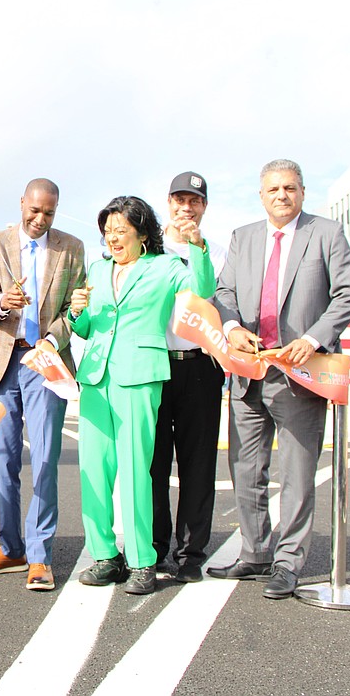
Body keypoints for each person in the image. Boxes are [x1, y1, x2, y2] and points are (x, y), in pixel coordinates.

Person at [207, 159, 350, 599]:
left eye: (289, 188)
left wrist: (314, 339)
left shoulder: (326, 234)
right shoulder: (244, 237)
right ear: (261, 195)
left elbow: (349, 294)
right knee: (245, 467)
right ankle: (255, 553)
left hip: (300, 373)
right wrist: (233, 327)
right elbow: (224, 293)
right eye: (273, 189)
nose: (281, 195)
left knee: (297, 473)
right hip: (249, 372)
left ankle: (288, 562)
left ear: (302, 192)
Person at [68, 196, 214, 595]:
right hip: (96, 377)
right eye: (108, 231)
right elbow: (85, 329)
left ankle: (141, 561)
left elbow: (203, 291)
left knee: (136, 472)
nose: (112, 238)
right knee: (94, 472)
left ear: (143, 233)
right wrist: (75, 312)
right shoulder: (97, 269)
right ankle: (104, 555)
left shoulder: (166, 267)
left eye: (121, 231)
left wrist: (197, 247)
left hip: (139, 378)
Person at [0, 178, 86, 591]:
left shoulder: (71, 248)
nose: (40, 219)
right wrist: (2, 304)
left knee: (47, 460)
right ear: (22, 204)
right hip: (3, 362)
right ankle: (11, 547)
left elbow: (76, 308)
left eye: (49, 213)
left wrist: (52, 340)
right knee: (3, 461)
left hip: (45, 361)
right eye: (34, 210)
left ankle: (40, 556)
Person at [150, 171, 229, 584]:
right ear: (168, 202)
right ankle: (156, 547)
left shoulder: (217, 251)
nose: (186, 207)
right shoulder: (149, 248)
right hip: (156, 366)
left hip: (201, 365)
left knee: (198, 465)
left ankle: (192, 552)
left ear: (204, 207)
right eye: (179, 199)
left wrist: (197, 248)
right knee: (154, 463)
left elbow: (213, 296)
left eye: (194, 201)